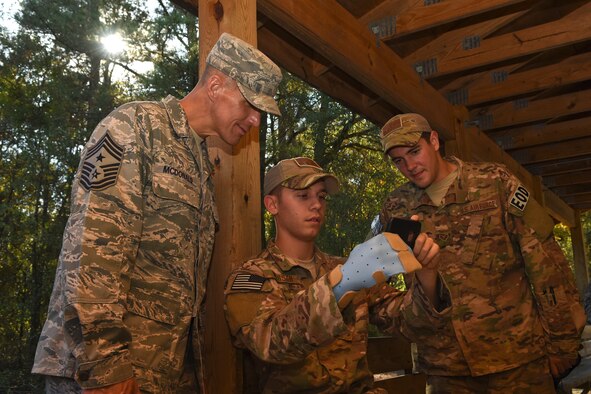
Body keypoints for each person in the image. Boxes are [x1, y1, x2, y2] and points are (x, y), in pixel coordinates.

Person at [31, 33, 282, 393]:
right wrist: (106, 365)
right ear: (215, 84)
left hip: (155, 374)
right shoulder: (134, 127)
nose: (256, 120)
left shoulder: (198, 165)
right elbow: (91, 250)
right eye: (251, 104)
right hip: (103, 375)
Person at [374, 112, 586, 393]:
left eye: (415, 151)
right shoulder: (396, 209)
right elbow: (374, 283)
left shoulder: (495, 182)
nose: (410, 166)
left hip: (518, 363)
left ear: (434, 141)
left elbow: (546, 265)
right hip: (446, 371)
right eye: (399, 160)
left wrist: (562, 343)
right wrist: (411, 323)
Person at [224, 157, 450, 393]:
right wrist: (341, 285)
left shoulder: (347, 267)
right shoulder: (252, 278)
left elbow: (412, 325)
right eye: (303, 195)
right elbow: (269, 342)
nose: (316, 205)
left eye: (321, 196)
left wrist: (427, 276)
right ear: (272, 204)